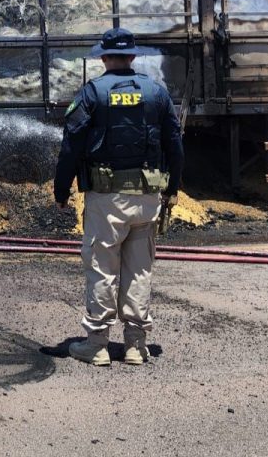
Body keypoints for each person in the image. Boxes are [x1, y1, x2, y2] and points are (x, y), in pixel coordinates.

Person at [53, 28, 184, 366]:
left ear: (103, 57)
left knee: (102, 268)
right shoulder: (156, 93)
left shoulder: (92, 93)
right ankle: (136, 346)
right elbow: (174, 143)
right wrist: (172, 188)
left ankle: (97, 345)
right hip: (148, 196)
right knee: (139, 270)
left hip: (106, 199)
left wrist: (61, 189)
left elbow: (71, 146)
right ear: (133, 56)